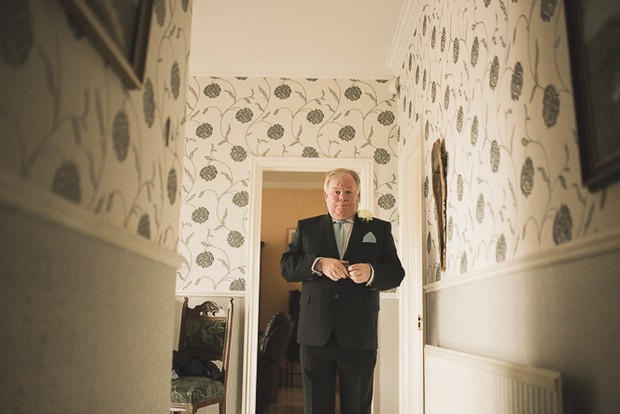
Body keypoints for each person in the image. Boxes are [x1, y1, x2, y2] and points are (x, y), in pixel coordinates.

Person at [280, 168, 405, 414]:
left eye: (349, 191)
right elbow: (287, 267)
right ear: (325, 195)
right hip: (315, 334)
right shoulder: (306, 227)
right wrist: (318, 264)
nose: (342, 197)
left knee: (357, 407)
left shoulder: (378, 229)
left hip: (359, 334)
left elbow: (396, 272)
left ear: (358, 196)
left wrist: (372, 272)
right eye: (336, 191)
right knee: (317, 408)